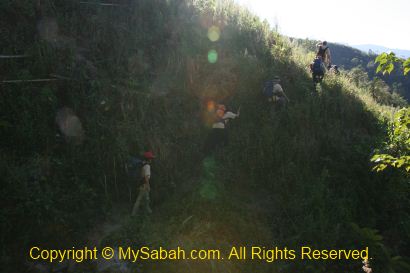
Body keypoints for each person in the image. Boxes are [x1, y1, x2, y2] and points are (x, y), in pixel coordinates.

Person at [131, 151, 155, 216]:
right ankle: (133, 214)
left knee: (146, 199)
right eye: (151, 158)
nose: (152, 160)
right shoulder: (147, 166)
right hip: (144, 185)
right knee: (140, 199)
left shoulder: (143, 165)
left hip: (141, 184)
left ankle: (148, 212)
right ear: (149, 159)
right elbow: (146, 177)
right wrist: (148, 185)